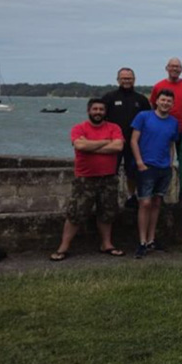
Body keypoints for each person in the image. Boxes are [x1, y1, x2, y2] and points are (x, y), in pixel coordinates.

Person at [50, 99, 125, 261]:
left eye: (101, 109)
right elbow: (80, 146)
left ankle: (107, 244)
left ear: (105, 112)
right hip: (85, 178)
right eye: (95, 109)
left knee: (107, 212)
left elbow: (118, 147)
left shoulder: (114, 128)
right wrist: (106, 142)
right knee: (76, 213)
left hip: (109, 178)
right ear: (89, 111)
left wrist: (91, 145)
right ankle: (64, 246)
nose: (98, 112)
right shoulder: (79, 128)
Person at [131, 89, 180, 259]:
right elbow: (133, 140)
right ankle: (142, 241)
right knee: (145, 203)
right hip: (146, 166)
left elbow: (171, 144)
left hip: (163, 168)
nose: (165, 103)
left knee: (157, 202)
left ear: (172, 104)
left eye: (169, 101)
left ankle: (151, 239)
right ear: (156, 101)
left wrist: (171, 163)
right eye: (163, 100)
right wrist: (139, 162)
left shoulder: (174, 122)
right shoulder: (144, 117)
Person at [150, 58, 182, 201]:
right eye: (172, 66)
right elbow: (153, 107)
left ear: (181, 69)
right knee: (163, 162)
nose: (175, 69)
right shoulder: (158, 86)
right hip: (163, 132)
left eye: (178, 67)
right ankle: (159, 195)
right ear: (166, 68)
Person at [101, 67, 151, 209]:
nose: (126, 81)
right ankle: (109, 197)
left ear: (134, 79)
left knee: (132, 172)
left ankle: (131, 196)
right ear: (118, 80)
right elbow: (100, 119)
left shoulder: (141, 100)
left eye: (129, 78)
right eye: (123, 78)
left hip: (134, 144)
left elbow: (148, 122)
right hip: (113, 143)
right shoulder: (109, 98)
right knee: (111, 172)